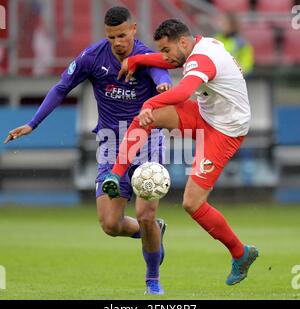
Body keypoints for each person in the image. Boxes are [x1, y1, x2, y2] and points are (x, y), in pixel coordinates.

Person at [3, 7, 172, 295]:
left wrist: (163, 85)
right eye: (111, 37)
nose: (117, 42)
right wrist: (33, 123)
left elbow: (160, 74)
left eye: (122, 35)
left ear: (133, 30)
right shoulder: (92, 57)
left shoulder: (145, 57)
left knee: (144, 214)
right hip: (110, 145)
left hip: (148, 143)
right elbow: (61, 87)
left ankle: (152, 280)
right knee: (110, 224)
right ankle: (154, 230)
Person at [102, 19, 259, 286]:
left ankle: (240, 253)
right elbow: (173, 62)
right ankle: (116, 175)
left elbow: (184, 90)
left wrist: (150, 102)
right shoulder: (201, 44)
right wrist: (140, 61)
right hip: (207, 113)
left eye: (166, 49)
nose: (164, 57)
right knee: (146, 119)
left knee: (192, 203)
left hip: (225, 131)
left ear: (183, 43)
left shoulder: (202, 59)